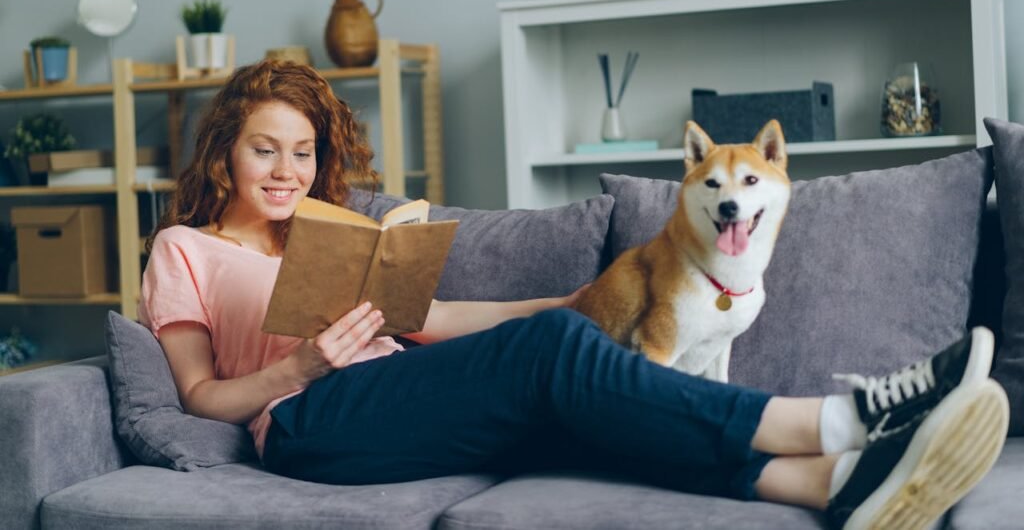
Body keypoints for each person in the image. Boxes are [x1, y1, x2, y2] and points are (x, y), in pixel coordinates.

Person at [141, 60, 1009, 530]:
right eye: (265, 150)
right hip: (305, 424)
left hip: (389, 392)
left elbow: (435, 322)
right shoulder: (186, 248)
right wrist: (299, 363)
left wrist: (571, 301)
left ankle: (839, 486)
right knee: (559, 355)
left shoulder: (331, 236)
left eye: (301, 152)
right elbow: (199, 396)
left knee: (579, 389)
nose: (287, 171)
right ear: (226, 154)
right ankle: (845, 418)